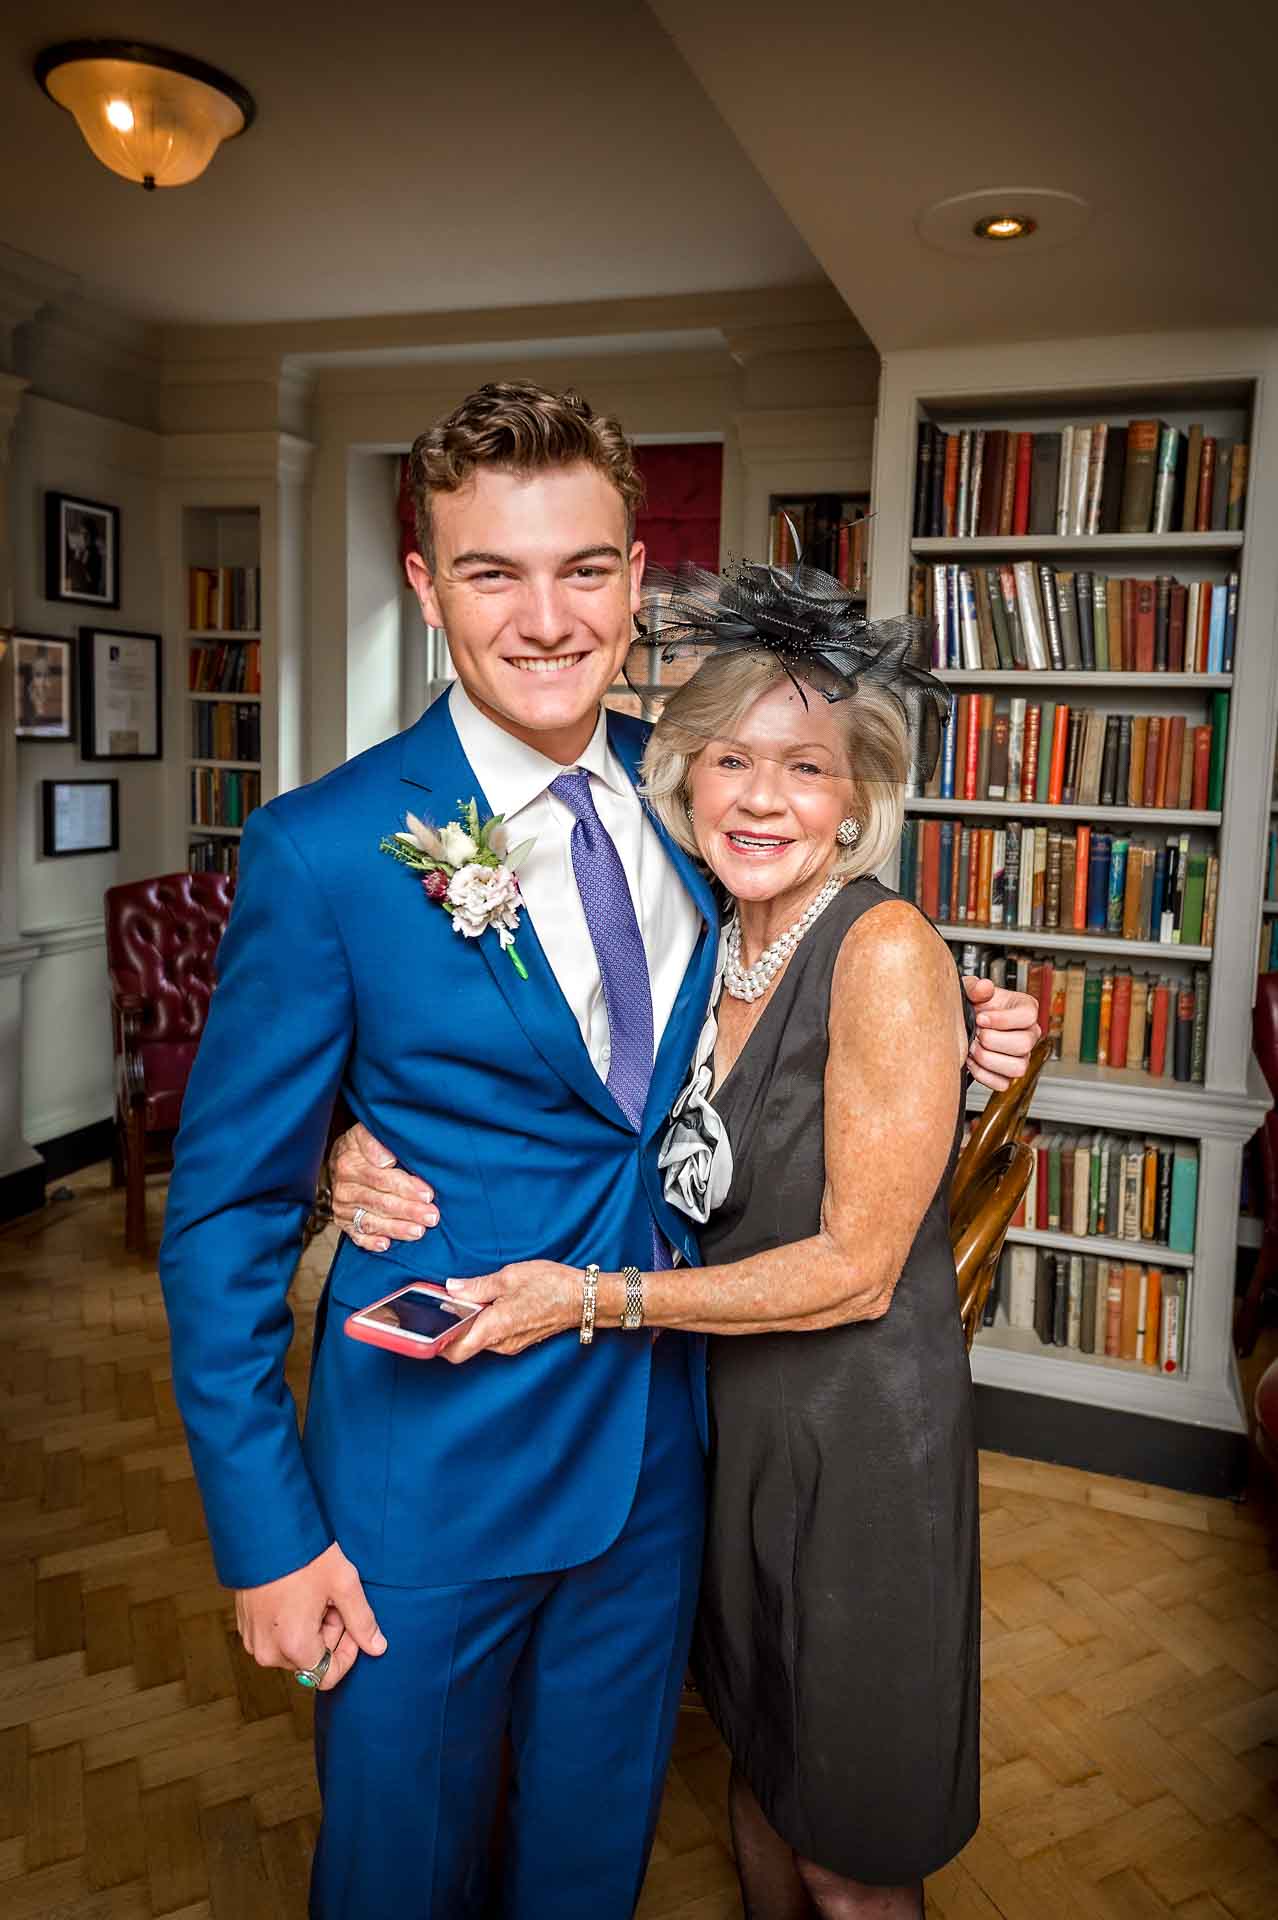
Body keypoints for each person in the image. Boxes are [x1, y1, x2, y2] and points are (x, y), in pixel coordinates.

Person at [161, 381, 1038, 1920]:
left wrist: (965, 1031)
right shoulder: (320, 847)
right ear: (428, 586)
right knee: (399, 1880)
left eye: (583, 568)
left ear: (638, 579)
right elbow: (223, 1210)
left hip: (659, 1476)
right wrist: (270, 1535)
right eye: (493, 571)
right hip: (424, 1485)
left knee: (587, 1874)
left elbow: (803, 995)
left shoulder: (702, 792)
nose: (546, 616)